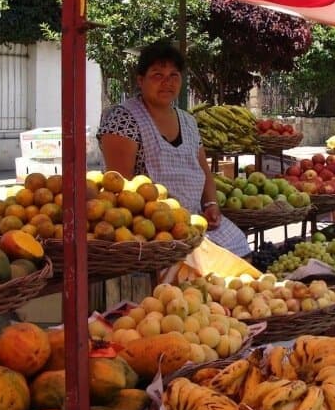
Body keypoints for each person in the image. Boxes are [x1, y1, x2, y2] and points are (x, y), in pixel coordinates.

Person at [97, 40, 251, 257]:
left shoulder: (188, 121)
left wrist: (211, 203)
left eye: (174, 75)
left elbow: (203, 170)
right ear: (140, 80)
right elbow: (120, 186)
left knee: (239, 246)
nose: (167, 83)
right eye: (157, 75)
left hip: (196, 218)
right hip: (153, 227)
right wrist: (159, 224)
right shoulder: (124, 118)